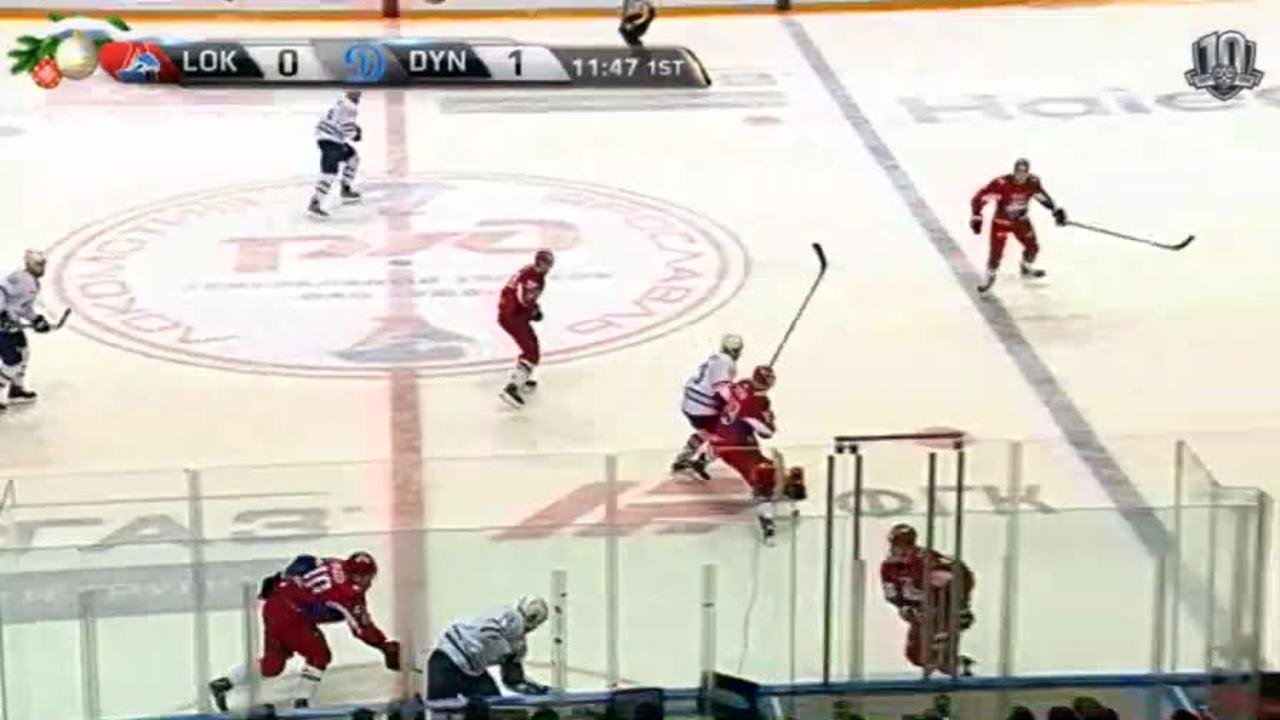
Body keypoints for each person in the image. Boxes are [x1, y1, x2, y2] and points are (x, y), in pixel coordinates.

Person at [209, 552, 401, 711]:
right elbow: (361, 628)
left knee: (272, 665)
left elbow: (305, 560)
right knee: (320, 655)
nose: (369, 582)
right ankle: (301, 703)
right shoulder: (347, 594)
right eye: (366, 577)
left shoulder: (336, 563)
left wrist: (280, 577)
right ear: (355, 576)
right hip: (293, 617)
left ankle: (224, 683)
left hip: (275, 606)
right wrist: (383, 646)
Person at [678, 366, 806, 545]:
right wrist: (768, 416)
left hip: (721, 435)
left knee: (724, 441)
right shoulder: (758, 403)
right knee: (763, 474)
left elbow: (733, 397)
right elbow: (767, 432)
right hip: (739, 449)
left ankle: (700, 461)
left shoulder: (742, 384)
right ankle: (767, 522)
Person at [880, 524, 975, 676]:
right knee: (917, 657)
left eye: (904, 544)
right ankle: (957, 665)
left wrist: (960, 605)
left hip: (943, 613)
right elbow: (891, 594)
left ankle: (956, 667)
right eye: (894, 544)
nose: (896, 549)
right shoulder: (889, 567)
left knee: (939, 652)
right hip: (921, 614)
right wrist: (905, 608)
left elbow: (961, 575)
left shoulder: (928, 561)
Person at [969, 158, 1068, 293]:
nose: (1020, 176)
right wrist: (976, 215)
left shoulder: (1032, 183)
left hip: (1021, 221)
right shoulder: (1001, 184)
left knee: (1033, 247)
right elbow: (979, 198)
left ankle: (1025, 267)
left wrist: (1055, 210)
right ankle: (990, 276)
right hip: (1001, 223)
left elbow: (1042, 197)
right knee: (996, 253)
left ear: (1028, 173)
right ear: (1014, 171)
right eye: (1018, 172)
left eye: (1024, 173)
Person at [425, 596, 551, 700]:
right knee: (443, 710)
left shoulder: (517, 641)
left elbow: (513, 679)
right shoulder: (510, 617)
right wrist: (506, 650)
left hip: (460, 664)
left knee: (492, 707)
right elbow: (487, 633)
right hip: (450, 660)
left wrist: (538, 689)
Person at [670, 334, 744, 479]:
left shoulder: (715, 359)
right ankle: (702, 461)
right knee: (730, 434)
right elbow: (721, 388)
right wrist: (735, 406)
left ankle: (683, 457)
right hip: (702, 407)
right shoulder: (725, 362)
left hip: (690, 402)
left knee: (708, 431)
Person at [498, 250, 554, 408]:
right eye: (546, 264)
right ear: (540, 262)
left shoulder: (530, 272)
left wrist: (533, 308)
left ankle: (522, 377)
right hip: (513, 318)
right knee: (531, 352)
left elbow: (521, 294)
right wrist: (533, 311)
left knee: (533, 346)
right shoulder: (532, 278)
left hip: (513, 316)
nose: (549, 267)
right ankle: (512, 388)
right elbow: (524, 299)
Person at [0, 250, 51, 409]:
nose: (42, 268)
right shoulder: (19, 279)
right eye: (38, 264)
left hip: (11, 323)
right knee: (13, 360)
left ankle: (16, 389)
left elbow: (23, 306)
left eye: (43, 264)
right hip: (3, 325)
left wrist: (35, 319)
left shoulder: (33, 283)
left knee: (24, 352)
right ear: (28, 264)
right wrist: (1, 315)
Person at [308, 91, 363, 218]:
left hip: (327, 138)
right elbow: (348, 129)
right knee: (329, 173)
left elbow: (339, 120)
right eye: (357, 93)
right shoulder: (350, 107)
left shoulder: (341, 101)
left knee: (352, 158)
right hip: (331, 140)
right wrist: (356, 134)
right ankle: (316, 203)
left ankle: (345, 188)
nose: (359, 96)